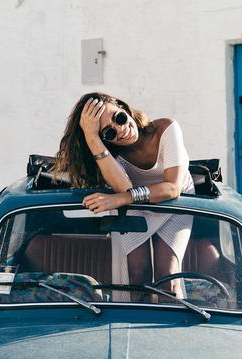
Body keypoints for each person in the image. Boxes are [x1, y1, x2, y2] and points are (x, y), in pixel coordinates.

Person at [54, 93, 195, 297]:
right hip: (135, 207)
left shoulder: (166, 128)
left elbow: (172, 188)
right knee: (137, 274)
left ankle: (167, 328)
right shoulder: (109, 156)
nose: (120, 129)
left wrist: (121, 199)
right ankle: (137, 326)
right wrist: (92, 138)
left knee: (168, 278)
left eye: (118, 117)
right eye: (109, 133)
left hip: (174, 202)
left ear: (124, 108)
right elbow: (124, 186)